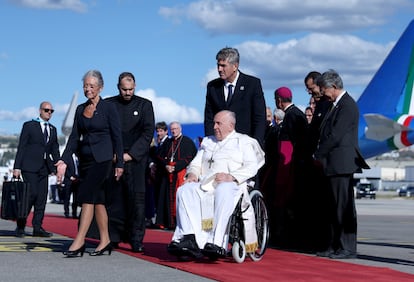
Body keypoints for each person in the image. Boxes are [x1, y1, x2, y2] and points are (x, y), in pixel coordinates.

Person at [167, 110, 265, 259]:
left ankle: (217, 242)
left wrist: (231, 176)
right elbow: (196, 163)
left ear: (231, 126)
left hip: (232, 185)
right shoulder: (208, 142)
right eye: (214, 123)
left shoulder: (244, 141)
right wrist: (192, 174)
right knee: (184, 190)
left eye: (219, 123)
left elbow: (251, 166)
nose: (214, 127)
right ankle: (188, 237)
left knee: (224, 189)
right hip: (206, 183)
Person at [56, 70, 124, 258]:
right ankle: (105, 240)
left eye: (91, 86)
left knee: (87, 197)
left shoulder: (109, 108)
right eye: (85, 85)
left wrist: (120, 163)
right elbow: (73, 139)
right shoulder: (79, 109)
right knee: (98, 201)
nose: (87, 89)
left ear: (100, 87)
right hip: (85, 161)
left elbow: (117, 137)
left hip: (103, 160)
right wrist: (64, 158)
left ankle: (79, 241)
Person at [314, 70, 369, 259]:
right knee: (332, 207)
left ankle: (347, 247)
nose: (321, 92)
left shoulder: (347, 105)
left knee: (343, 207)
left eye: (323, 88)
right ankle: (334, 245)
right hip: (333, 164)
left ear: (334, 87)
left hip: (342, 163)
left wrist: (318, 153)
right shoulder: (334, 105)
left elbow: (336, 135)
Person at [105, 71, 155, 253]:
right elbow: (104, 130)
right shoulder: (108, 104)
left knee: (137, 202)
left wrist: (130, 155)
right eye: (124, 89)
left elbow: (148, 132)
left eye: (131, 89)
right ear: (118, 87)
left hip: (136, 160)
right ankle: (113, 237)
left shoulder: (145, 105)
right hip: (114, 159)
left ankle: (136, 239)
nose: (128, 93)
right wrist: (114, 154)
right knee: (114, 201)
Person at [12, 101, 60, 238]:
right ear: (40, 110)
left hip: (44, 168)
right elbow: (22, 146)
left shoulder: (53, 129)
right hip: (29, 167)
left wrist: (59, 167)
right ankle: (20, 225)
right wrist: (17, 167)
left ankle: (37, 227)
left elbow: (55, 150)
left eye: (51, 111)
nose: (49, 113)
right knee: (30, 195)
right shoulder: (29, 126)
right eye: (46, 110)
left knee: (41, 198)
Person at [204, 47, 267, 147]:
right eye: (218, 65)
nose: (219, 69)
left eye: (223, 66)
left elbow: (259, 118)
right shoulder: (212, 87)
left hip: (245, 145)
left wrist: (256, 145)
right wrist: (211, 143)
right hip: (220, 146)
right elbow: (209, 118)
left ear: (235, 66)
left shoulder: (252, 84)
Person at [271, 87, 309, 249]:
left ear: (279, 100)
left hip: (289, 164)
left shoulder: (292, 116)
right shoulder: (296, 114)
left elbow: (293, 143)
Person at [155, 121, 197, 230]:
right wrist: (166, 166)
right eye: (172, 129)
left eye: (176, 129)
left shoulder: (187, 141)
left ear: (180, 129)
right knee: (166, 198)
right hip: (167, 174)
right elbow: (159, 156)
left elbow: (190, 156)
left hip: (180, 173)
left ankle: (180, 222)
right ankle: (168, 222)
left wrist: (176, 166)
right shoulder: (168, 142)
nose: (174, 131)